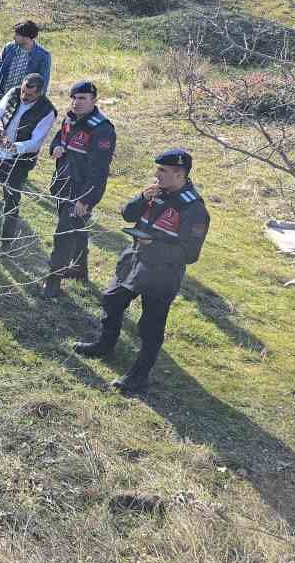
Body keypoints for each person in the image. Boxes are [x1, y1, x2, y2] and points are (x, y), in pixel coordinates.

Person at [73, 149, 211, 395]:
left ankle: (139, 375)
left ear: (180, 174)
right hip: (134, 261)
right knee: (112, 300)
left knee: (151, 325)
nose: (156, 175)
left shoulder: (194, 209)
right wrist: (141, 198)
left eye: (162, 171)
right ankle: (105, 344)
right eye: (157, 169)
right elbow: (127, 215)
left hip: (162, 275)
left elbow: (190, 254)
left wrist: (154, 245)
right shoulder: (155, 192)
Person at [41, 81, 116, 298]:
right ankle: (80, 269)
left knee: (63, 234)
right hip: (63, 184)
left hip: (80, 191)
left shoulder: (101, 129)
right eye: (74, 97)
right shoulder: (70, 119)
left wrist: (86, 200)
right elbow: (59, 138)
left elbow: (99, 171)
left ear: (94, 101)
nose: (76, 102)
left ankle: (53, 282)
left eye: (82, 98)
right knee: (77, 228)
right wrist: (54, 147)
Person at [0, 73, 57, 248]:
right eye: (23, 91)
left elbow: (37, 141)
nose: (24, 96)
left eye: (29, 94)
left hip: (19, 161)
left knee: (11, 200)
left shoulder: (48, 111)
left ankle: (6, 241)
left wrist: (16, 147)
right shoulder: (13, 93)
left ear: (40, 93)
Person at [0, 21, 52, 107]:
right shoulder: (9, 48)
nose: (14, 37)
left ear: (27, 37)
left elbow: (43, 81)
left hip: (24, 100)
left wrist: (36, 101)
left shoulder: (42, 56)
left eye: (17, 34)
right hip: (2, 95)